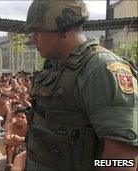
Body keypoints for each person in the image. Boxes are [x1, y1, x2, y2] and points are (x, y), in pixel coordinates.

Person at [25, 0, 138, 170]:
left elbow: (122, 160)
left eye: (37, 31)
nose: (32, 39)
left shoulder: (101, 69)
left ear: (64, 28)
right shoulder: (56, 64)